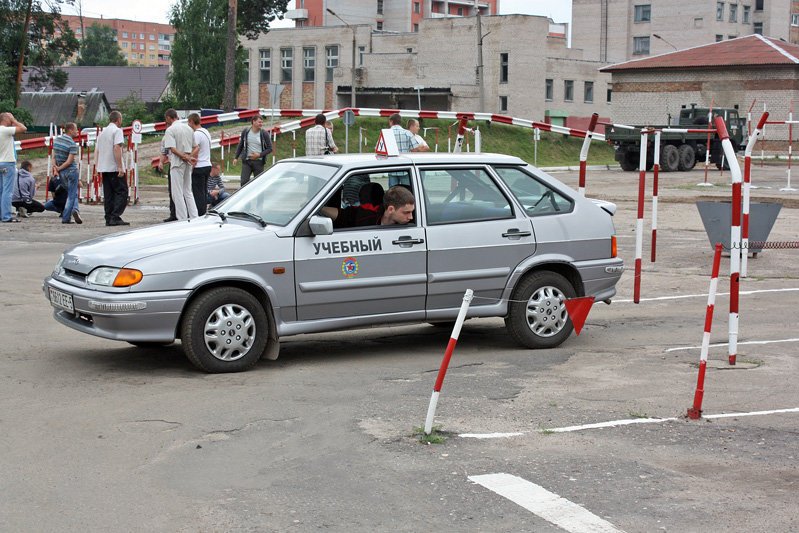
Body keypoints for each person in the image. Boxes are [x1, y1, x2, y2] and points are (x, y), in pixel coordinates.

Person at [322, 185, 415, 228]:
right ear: (390, 209)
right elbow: (342, 215)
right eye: (406, 212)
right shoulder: (367, 215)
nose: (411, 217)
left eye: (411, 211)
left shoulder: (414, 224)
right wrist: (318, 209)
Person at [163, 108, 198, 221]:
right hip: (187, 163)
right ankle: (194, 216)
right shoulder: (189, 128)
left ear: (169, 117)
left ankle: (182, 218)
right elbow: (196, 146)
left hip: (177, 163)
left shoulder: (170, 130)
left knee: (177, 193)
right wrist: (189, 156)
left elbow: (172, 149)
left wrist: (184, 156)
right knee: (187, 191)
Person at [95, 111, 129, 226]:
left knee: (108, 193)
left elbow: (97, 151)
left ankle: (108, 217)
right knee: (122, 192)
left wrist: (96, 166)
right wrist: (120, 166)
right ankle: (115, 216)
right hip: (114, 167)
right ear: (118, 119)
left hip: (103, 167)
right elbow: (117, 148)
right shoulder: (117, 131)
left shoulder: (102, 133)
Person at [52, 122, 83, 224]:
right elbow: (69, 161)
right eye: (76, 129)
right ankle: (66, 217)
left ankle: (75, 210)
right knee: (71, 194)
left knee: (71, 193)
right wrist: (60, 168)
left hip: (62, 173)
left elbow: (53, 157)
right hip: (71, 170)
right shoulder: (72, 144)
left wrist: (56, 168)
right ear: (70, 130)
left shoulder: (56, 140)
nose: (77, 131)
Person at [0, 112, 26, 223]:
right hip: (7, 162)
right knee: (7, 191)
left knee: (1, 190)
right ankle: (6, 216)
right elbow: (23, 128)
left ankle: (1, 214)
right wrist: (14, 120)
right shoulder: (5, 130)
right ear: (6, 118)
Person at [233, 115, 272, 186]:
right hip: (247, 161)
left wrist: (259, 155)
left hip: (259, 162)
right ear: (253, 122)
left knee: (259, 184)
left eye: (262, 122)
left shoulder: (264, 133)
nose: (261, 124)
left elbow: (270, 148)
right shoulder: (246, 131)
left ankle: (259, 197)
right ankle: (245, 197)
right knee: (243, 182)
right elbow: (241, 144)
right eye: (259, 122)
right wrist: (236, 157)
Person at [188, 113, 212, 216]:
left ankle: (199, 213)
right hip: (207, 164)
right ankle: (203, 211)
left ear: (192, 121)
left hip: (199, 166)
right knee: (203, 191)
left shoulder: (196, 134)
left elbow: (196, 149)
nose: (188, 125)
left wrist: (190, 163)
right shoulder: (206, 132)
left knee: (197, 193)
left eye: (188, 122)